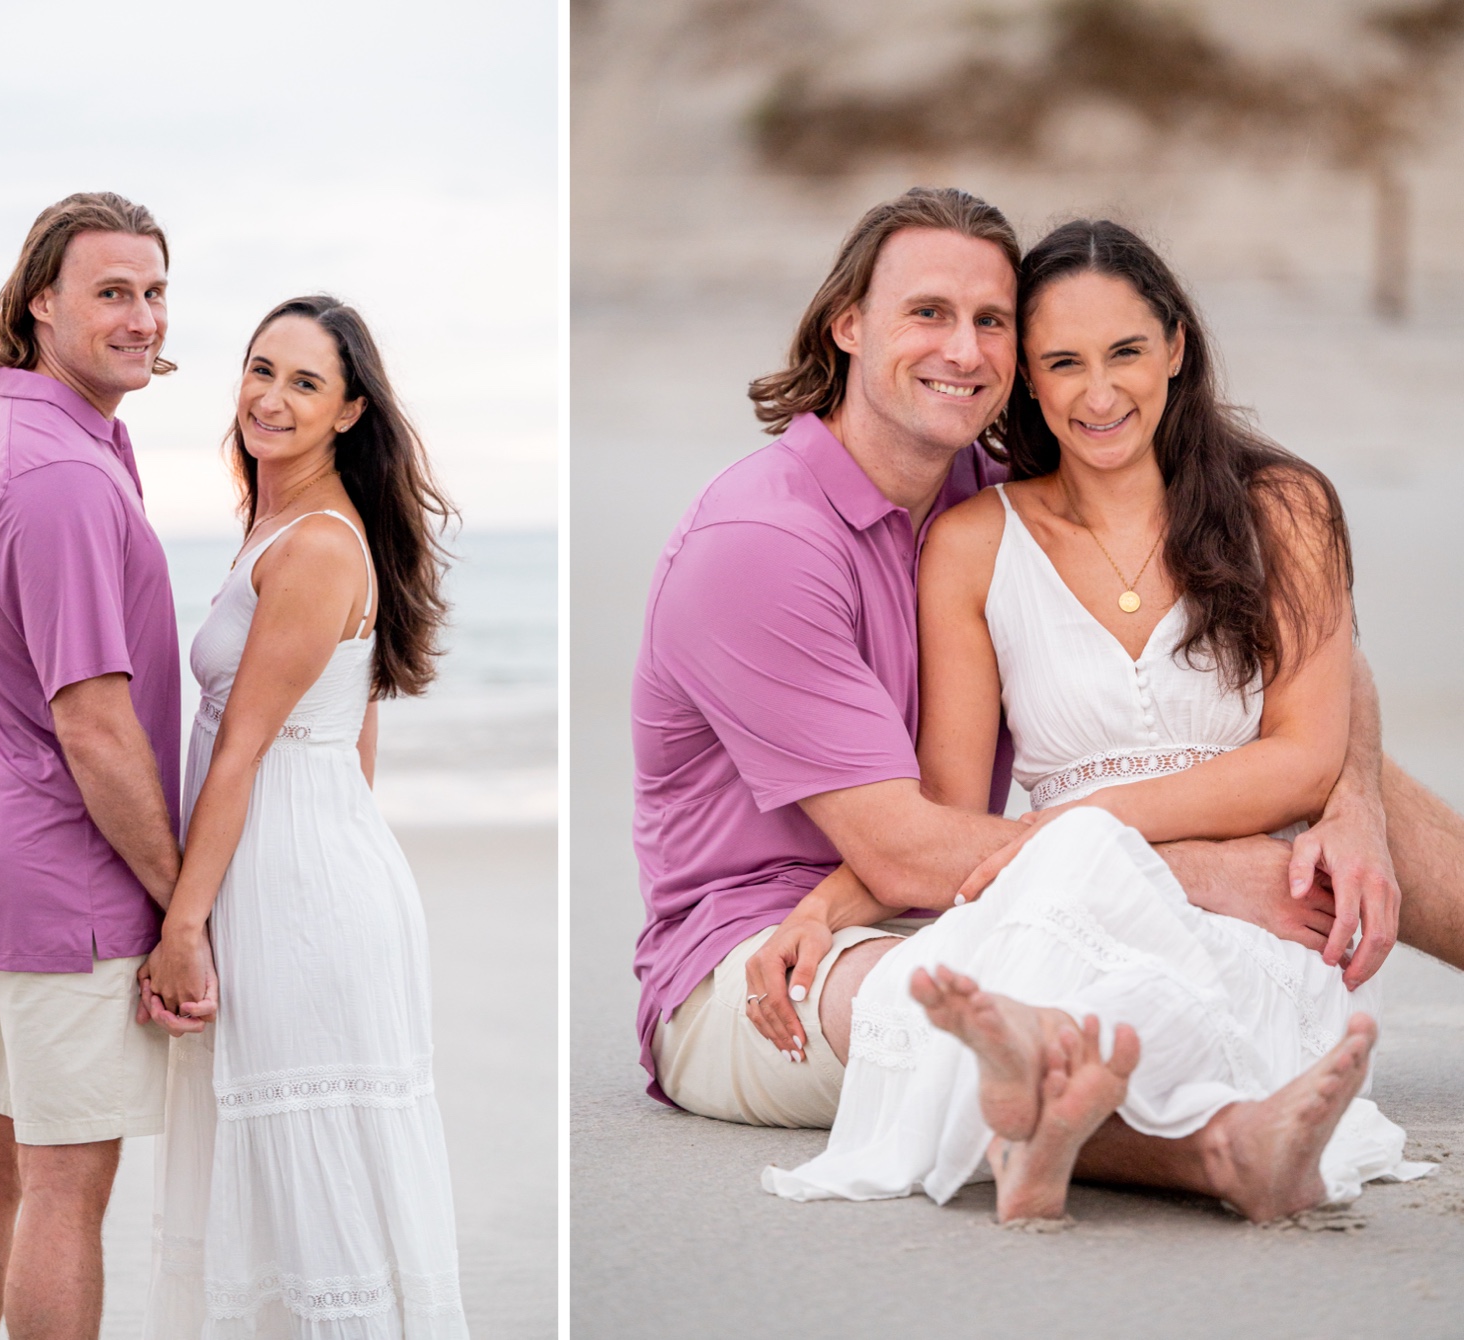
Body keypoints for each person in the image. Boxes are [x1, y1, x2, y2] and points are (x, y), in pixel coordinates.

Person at [629, 186, 1464, 1197]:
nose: (965, 350)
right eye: (927, 313)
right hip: (766, 953)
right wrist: (1191, 869)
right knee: (936, 999)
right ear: (848, 323)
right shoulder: (760, 546)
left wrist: (1353, 801)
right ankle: (1220, 1148)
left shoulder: (975, 486)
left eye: (990, 322)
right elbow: (904, 845)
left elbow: (1324, 659)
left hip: (951, 889)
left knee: (1292, 762)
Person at [141, 297, 468, 1337]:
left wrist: (182, 925)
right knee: (279, 1177)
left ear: (349, 411)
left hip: (295, 886)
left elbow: (241, 747)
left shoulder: (321, 545)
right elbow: (354, 736)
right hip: (301, 868)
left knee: (309, 1173)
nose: (270, 397)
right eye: (259, 368)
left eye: (304, 382)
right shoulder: (282, 524)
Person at [0, 192, 201, 1339]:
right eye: (111, 292)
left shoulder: (3, 429)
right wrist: (186, 901)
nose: (143, 318)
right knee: (63, 1187)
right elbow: (93, 722)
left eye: (155, 290)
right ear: (40, 303)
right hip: (59, 878)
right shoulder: (60, 475)